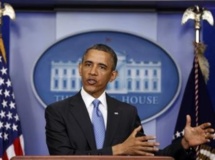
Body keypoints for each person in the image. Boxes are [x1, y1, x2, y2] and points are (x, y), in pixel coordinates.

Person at [45, 43, 214, 159]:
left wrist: (184, 143)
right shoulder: (57, 111)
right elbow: (62, 157)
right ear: (80, 69)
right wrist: (118, 150)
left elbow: (150, 157)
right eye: (88, 64)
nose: (93, 72)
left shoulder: (126, 113)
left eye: (101, 67)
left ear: (113, 76)